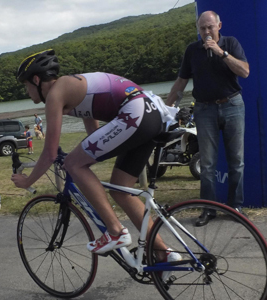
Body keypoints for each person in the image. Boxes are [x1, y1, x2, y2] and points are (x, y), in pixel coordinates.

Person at [10, 49, 180, 270]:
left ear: (36, 79)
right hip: (149, 112)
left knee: (73, 162)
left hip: (136, 112)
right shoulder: (74, 86)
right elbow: (92, 126)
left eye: (26, 85)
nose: (27, 91)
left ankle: (115, 231)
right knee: (120, 189)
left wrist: (27, 181)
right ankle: (163, 252)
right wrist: (86, 160)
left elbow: (50, 153)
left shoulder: (55, 94)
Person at [165, 11, 250, 226]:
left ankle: (235, 207)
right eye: (202, 28)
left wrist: (221, 52)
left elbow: (245, 72)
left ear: (219, 25)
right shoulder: (192, 51)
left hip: (232, 105)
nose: (206, 32)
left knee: (236, 161)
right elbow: (181, 81)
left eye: (210, 27)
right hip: (204, 109)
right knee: (208, 163)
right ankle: (208, 209)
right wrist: (165, 108)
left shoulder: (231, 43)